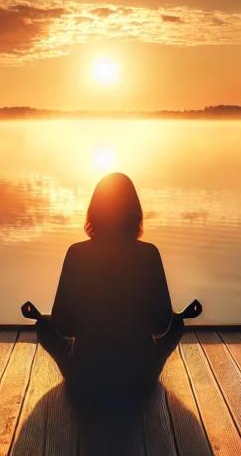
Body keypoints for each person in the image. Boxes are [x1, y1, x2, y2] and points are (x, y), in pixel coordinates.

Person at [21, 172, 202, 411]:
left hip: (87, 377)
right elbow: (160, 325)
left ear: (94, 211)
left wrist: (49, 320)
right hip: (139, 377)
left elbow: (65, 327)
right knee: (175, 326)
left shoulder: (77, 253)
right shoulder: (149, 254)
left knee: (45, 329)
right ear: (134, 212)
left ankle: (42, 324)